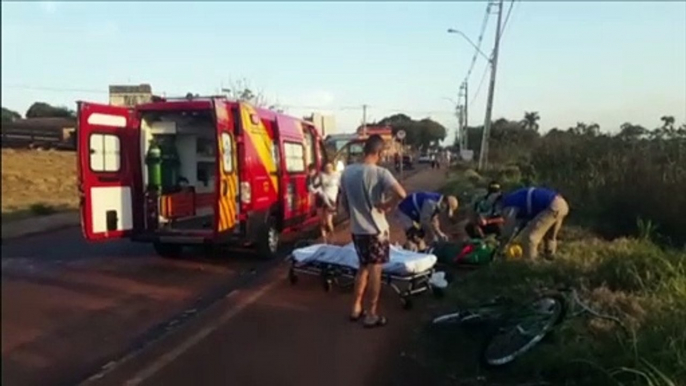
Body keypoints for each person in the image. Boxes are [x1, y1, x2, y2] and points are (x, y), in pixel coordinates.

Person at [340, 134, 407, 328]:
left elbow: (344, 202)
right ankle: (371, 313)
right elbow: (402, 194)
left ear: (364, 150)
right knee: (375, 270)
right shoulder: (381, 173)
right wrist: (387, 204)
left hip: (357, 229)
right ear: (379, 152)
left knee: (362, 267)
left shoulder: (347, 172)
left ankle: (355, 307)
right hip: (376, 231)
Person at [495, 186, 570, 260]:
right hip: (561, 203)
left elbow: (509, 229)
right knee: (550, 236)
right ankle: (550, 259)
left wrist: (501, 247)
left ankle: (531, 266)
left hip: (552, 206)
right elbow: (518, 226)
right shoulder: (517, 198)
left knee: (530, 238)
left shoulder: (508, 204)